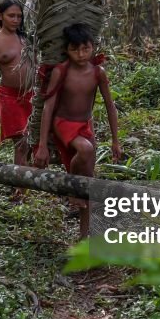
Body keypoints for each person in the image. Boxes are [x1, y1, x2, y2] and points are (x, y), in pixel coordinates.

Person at [33, 23, 122, 239]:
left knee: (88, 185)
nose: (81, 54)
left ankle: (84, 240)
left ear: (93, 48)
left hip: (85, 126)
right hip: (63, 124)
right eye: (75, 49)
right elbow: (48, 107)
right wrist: (43, 145)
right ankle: (71, 187)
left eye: (85, 49)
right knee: (86, 149)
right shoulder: (60, 71)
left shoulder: (98, 72)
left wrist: (115, 140)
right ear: (67, 50)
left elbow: (110, 105)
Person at [0, 0, 34, 178]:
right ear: (0, 16)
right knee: (20, 141)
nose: (15, 20)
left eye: (19, 16)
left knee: (30, 141)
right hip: (10, 97)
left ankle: (26, 180)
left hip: (31, 95)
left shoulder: (26, 38)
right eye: (11, 15)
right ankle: (20, 188)